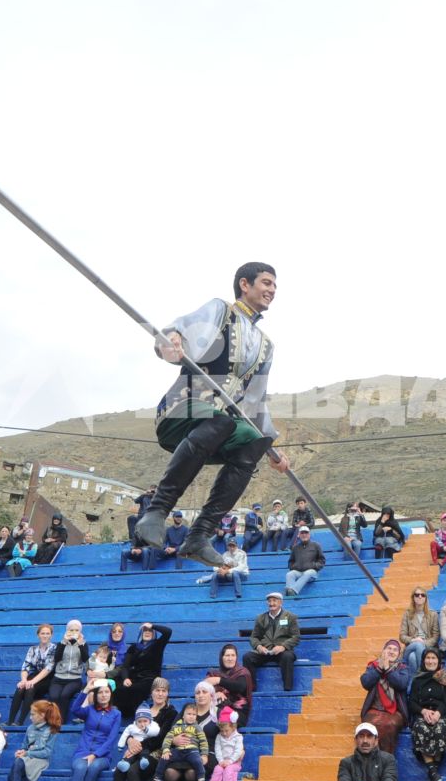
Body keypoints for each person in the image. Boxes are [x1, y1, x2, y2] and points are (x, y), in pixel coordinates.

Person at [129, 263, 291, 569]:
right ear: (245, 284)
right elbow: (183, 328)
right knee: (224, 421)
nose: (272, 290)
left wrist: (271, 448)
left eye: (275, 286)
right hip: (184, 408)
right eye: (266, 283)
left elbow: (255, 399)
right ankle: (156, 511)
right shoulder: (222, 310)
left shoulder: (266, 345)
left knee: (253, 442)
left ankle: (199, 536)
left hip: (221, 424)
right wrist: (172, 339)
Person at [63, 680, 121, 781]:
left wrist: (95, 755)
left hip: (102, 756)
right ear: (96, 695)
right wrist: (85, 690)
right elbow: (74, 710)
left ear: (111, 694)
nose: (103, 695)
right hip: (82, 752)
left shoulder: (116, 714)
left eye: (106, 692)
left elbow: (111, 739)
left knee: (94, 766)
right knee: (80, 767)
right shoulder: (89, 710)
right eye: (100, 692)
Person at [160, 701, 210, 781]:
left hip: (193, 755)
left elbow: (204, 741)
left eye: (194, 714)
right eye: (189, 713)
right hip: (178, 755)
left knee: (192, 774)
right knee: (170, 773)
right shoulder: (180, 718)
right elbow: (168, 736)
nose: (191, 715)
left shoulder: (205, 719)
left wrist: (204, 754)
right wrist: (173, 741)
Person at [407, 649, 446, 781]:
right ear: (423, 660)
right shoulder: (418, 679)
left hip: (442, 713)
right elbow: (412, 702)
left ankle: (434, 769)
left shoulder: (445, 677)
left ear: (439, 661)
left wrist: (438, 713)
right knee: (421, 727)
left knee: (440, 728)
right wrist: (423, 711)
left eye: (434, 658)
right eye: (428, 658)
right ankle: (432, 770)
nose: (430, 661)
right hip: (422, 714)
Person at [359, 639, 412, 756]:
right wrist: (379, 669)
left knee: (389, 725)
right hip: (375, 709)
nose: (391, 652)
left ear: (399, 654)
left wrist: (387, 669)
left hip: (395, 711)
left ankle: (386, 761)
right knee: (369, 727)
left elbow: (401, 684)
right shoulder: (373, 666)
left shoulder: (403, 668)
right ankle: (369, 762)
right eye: (389, 648)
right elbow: (365, 682)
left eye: (395, 650)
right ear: (383, 651)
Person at [7, 700, 60, 781]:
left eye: (32, 714)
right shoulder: (30, 728)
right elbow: (24, 746)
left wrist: (27, 754)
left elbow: (47, 752)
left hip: (41, 760)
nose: (30, 717)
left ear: (42, 715)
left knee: (18, 764)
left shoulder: (51, 729)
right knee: (15, 765)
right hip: (28, 757)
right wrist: (21, 751)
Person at [244, 591, 300, 691]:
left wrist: (283, 646)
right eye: (269, 601)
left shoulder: (290, 617)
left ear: (281, 603)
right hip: (265, 651)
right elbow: (254, 637)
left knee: (288, 656)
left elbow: (296, 637)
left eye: (274, 601)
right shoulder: (260, 618)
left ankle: (288, 689)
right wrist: (259, 647)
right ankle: (251, 688)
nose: (271, 603)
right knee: (247, 657)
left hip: (282, 651)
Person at [207, 708, 245, 781]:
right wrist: (220, 761)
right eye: (222, 731)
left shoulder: (238, 737)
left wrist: (230, 761)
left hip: (235, 763)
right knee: (217, 769)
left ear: (233, 727)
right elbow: (218, 749)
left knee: (229, 770)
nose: (224, 733)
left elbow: (238, 751)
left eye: (226, 731)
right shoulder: (219, 736)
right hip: (223, 761)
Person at [399, 587, 440, 674]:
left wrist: (423, 643)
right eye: (417, 595)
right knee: (417, 645)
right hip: (411, 647)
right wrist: (413, 640)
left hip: (428, 647)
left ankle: (414, 682)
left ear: (426, 598)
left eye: (423, 595)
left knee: (412, 658)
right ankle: (424, 674)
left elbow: (435, 637)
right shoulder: (407, 614)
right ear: (413, 598)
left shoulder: (433, 614)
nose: (420, 597)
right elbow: (402, 636)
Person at [283, 526, 325, 597]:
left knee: (308, 572)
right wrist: (294, 567)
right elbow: (290, 561)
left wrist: (314, 566)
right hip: (299, 572)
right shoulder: (295, 547)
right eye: (302, 533)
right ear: (299, 535)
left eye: (306, 533)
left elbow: (322, 560)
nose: (304, 535)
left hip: (312, 573)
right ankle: (289, 591)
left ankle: (293, 591)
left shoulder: (316, 545)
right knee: (289, 574)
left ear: (309, 534)